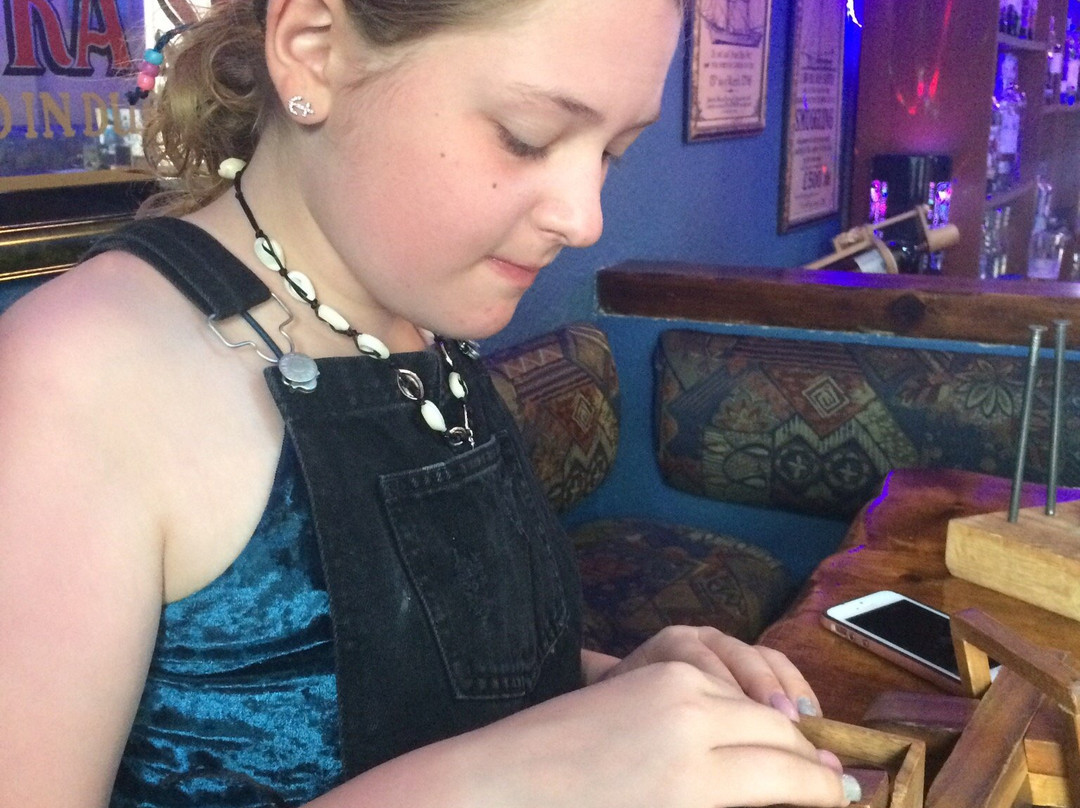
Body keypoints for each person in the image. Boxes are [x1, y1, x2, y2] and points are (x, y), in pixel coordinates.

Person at [0, 0, 862, 805]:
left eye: (612, 151)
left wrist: (609, 694)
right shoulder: (72, 378)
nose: (584, 218)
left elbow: (419, 676)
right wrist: (525, 778)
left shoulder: (417, 314)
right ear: (314, 52)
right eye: (527, 137)